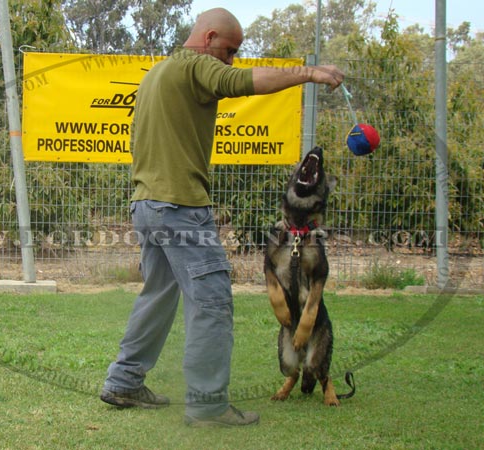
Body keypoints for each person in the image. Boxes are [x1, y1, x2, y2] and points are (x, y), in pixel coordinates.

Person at [100, 7, 344, 427]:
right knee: (212, 301)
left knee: (159, 294)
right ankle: (208, 404)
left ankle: (124, 381)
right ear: (208, 37)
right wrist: (309, 74)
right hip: (179, 208)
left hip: (147, 205)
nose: (231, 60)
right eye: (229, 50)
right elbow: (245, 82)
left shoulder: (157, 73)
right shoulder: (196, 67)